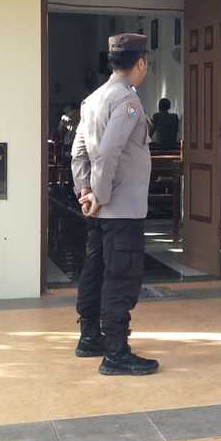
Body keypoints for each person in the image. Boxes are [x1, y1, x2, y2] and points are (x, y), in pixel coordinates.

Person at [70, 33, 160, 376]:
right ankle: (116, 352)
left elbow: (79, 151)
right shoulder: (128, 100)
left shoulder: (92, 99)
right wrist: (100, 194)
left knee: (95, 271)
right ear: (140, 63)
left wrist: (85, 191)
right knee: (121, 276)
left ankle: (90, 336)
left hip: (99, 207)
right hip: (121, 207)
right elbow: (109, 151)